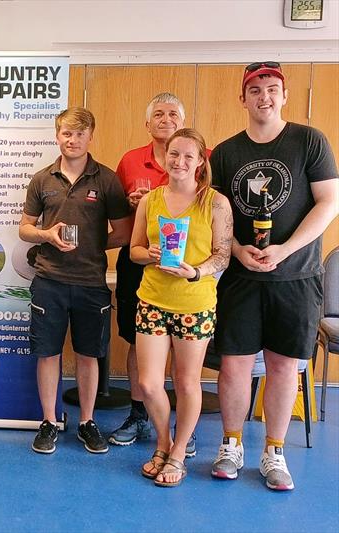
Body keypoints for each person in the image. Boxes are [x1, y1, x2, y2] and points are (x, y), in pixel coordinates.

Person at [210, 62, 338, 491]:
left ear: (284, 95)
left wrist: (286, 248)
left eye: (272, 88)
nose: (264, 96)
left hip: (296, 278)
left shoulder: (309, 141)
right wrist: (235, 249)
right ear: (242, 98)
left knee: (284, 367)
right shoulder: (225, 153)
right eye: (255, 89)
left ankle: (273, 451)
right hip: (241, 279)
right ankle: (231, 445)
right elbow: (216, 214)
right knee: (234, 367)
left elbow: (328, 204)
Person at [19, 107, 132, 455]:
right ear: (57, 136)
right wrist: (47, 235)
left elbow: (125, 232)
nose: (72, 140)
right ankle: (49, 422)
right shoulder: (41, 179)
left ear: (90, 137)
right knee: (48, 353)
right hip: (49, 280)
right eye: (67, 134)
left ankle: (86, 421)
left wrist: (93, 244)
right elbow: (24, 229)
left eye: (79, 134)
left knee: (88, 354)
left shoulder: (107, 179)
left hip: (90, 281)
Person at [130, 128, 232, 487]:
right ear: (165, 156)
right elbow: (134, 251)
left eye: (189, 156)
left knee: (187, 382)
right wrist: (150, 254)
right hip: (153, 300)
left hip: (195, 303)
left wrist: (195, 271)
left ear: (201, 162)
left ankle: (178, 453)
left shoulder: (215, 203)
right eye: (174, 154)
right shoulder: (150, 201)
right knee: (149, 382)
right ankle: (163, 441)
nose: (180, 161)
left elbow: (222, 255)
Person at [110, 93, 198, 457]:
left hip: (186, 268)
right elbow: (113, 213)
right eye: (158, 114)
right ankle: (137, 414)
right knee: (136, 339)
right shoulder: (131, 160)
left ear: (183, 122)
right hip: (139, 259)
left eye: (173, 113)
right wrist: (134, 204)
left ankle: (181, 428)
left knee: (182, 348)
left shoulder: (199, 160)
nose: (166, 119)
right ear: (147, 124)